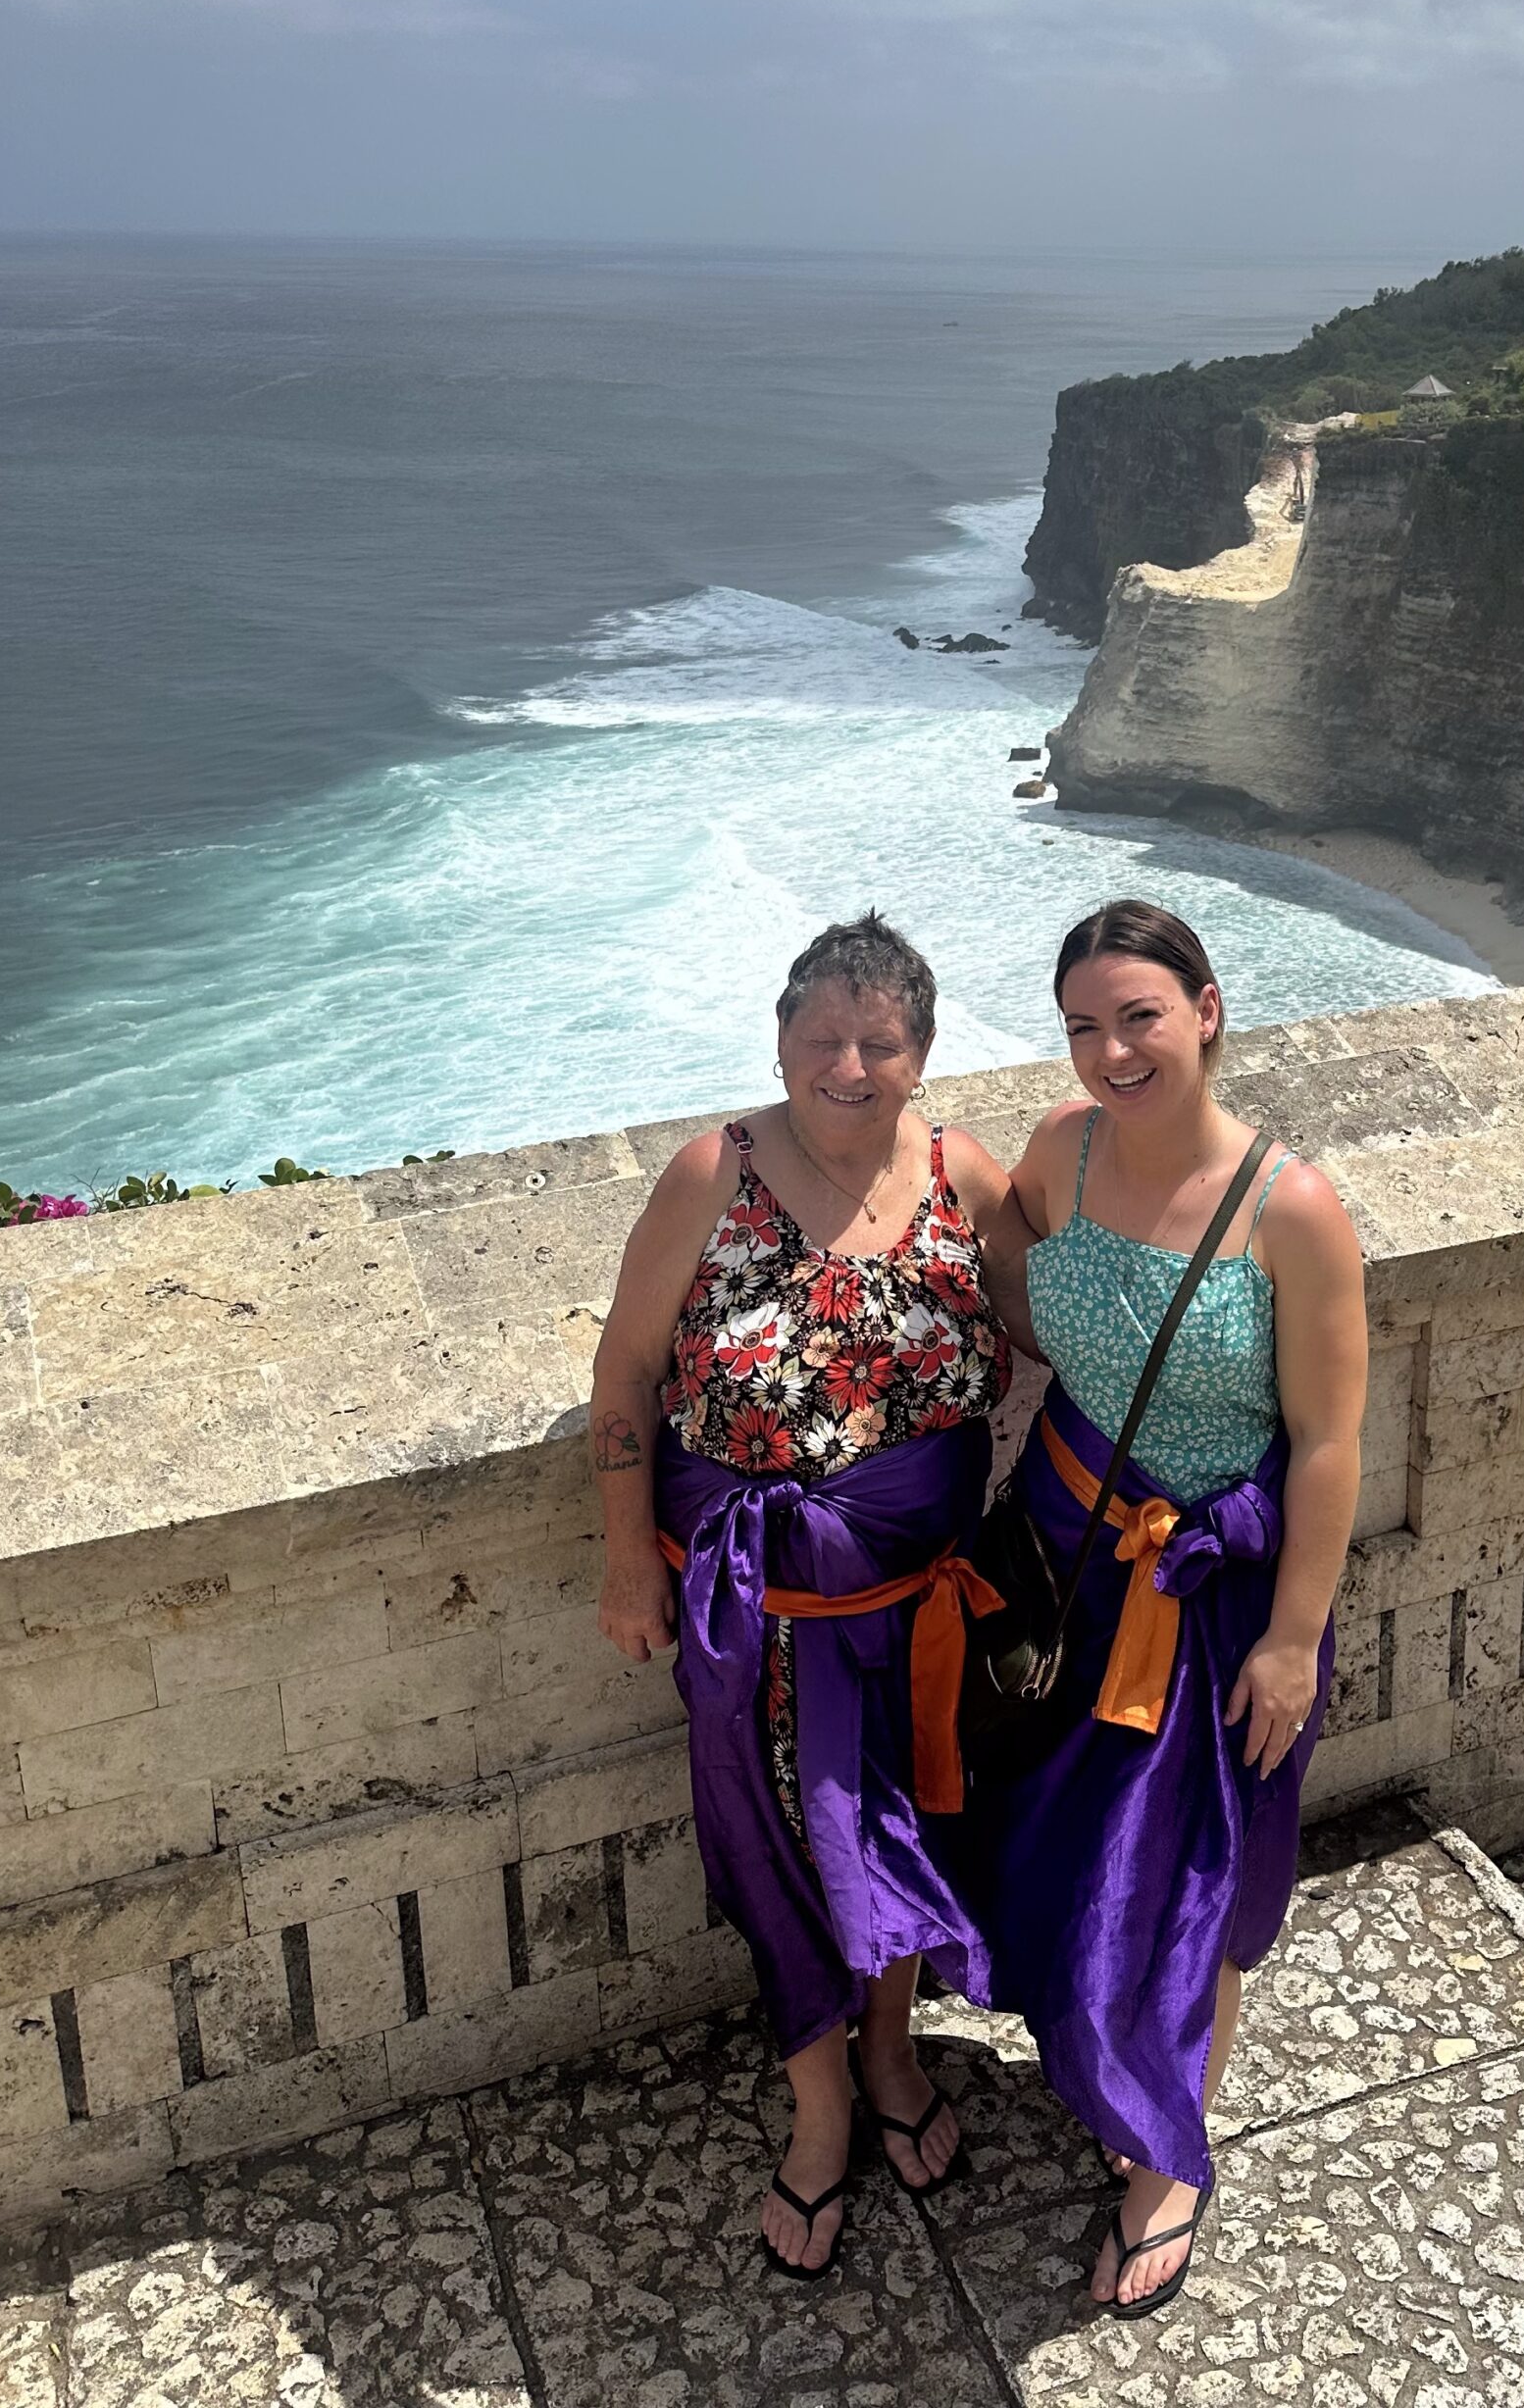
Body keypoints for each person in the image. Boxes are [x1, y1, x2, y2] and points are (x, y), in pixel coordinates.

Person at [590, 913, 1029, 2280]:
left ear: (921, 1055)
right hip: (754, 1618)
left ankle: (891, 2050)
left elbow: (1067, 1318)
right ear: (779, 1043)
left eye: (878, 1041)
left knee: (898, 1830)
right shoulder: (710, 1177)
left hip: (919, 1606)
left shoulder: (969, 1177)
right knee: (782, 1842)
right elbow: (623, 1383)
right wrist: (622, 1559)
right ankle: (823, 2101)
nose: (848, 1064)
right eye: (821, 1037)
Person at [983, 899, 1368, 2317]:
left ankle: (1170, 2155)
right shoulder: (1059, 1153)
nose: (1110, 1050)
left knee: (1199, 1873)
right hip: (1072, 1555)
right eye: (1084, 1025)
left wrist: (1288, 1643)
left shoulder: (1294, 1210)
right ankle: (1098, 2044)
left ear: (1208, 1010)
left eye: (1139, 1015)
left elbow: (1330, 1441)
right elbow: (1018, 1282)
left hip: (1217, 1598)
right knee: (1069, 1840)